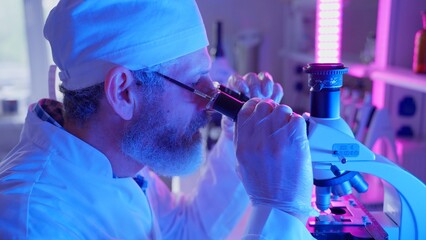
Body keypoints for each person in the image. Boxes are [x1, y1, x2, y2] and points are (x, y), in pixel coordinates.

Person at [0, 0, 314, 239]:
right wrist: (281, 211)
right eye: (194, 82)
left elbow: (185, 230)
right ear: (123, 92)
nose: (210, 101)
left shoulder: (118, 160)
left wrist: (236, 139)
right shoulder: (35, 220)